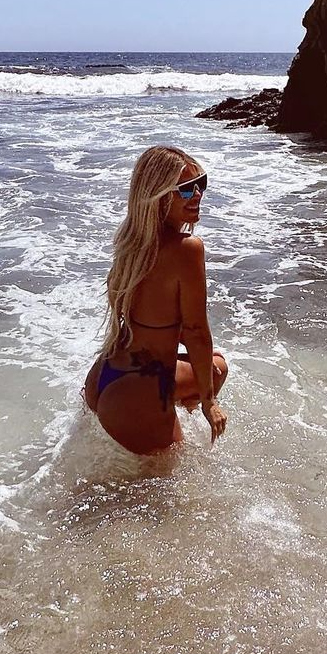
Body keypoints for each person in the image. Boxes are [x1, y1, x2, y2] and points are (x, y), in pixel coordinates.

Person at [83, 146, 228, 455]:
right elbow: (195, 331)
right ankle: (164, 412)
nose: (198, 195)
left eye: (201, 184)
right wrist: (209, 402)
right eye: (187, 190)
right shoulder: (187, 249)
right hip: (142, 391)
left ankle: (168, 412)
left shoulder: (132, 240)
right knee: (169, 499)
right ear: (161, 196)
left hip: (105, 377)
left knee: (217, 367)